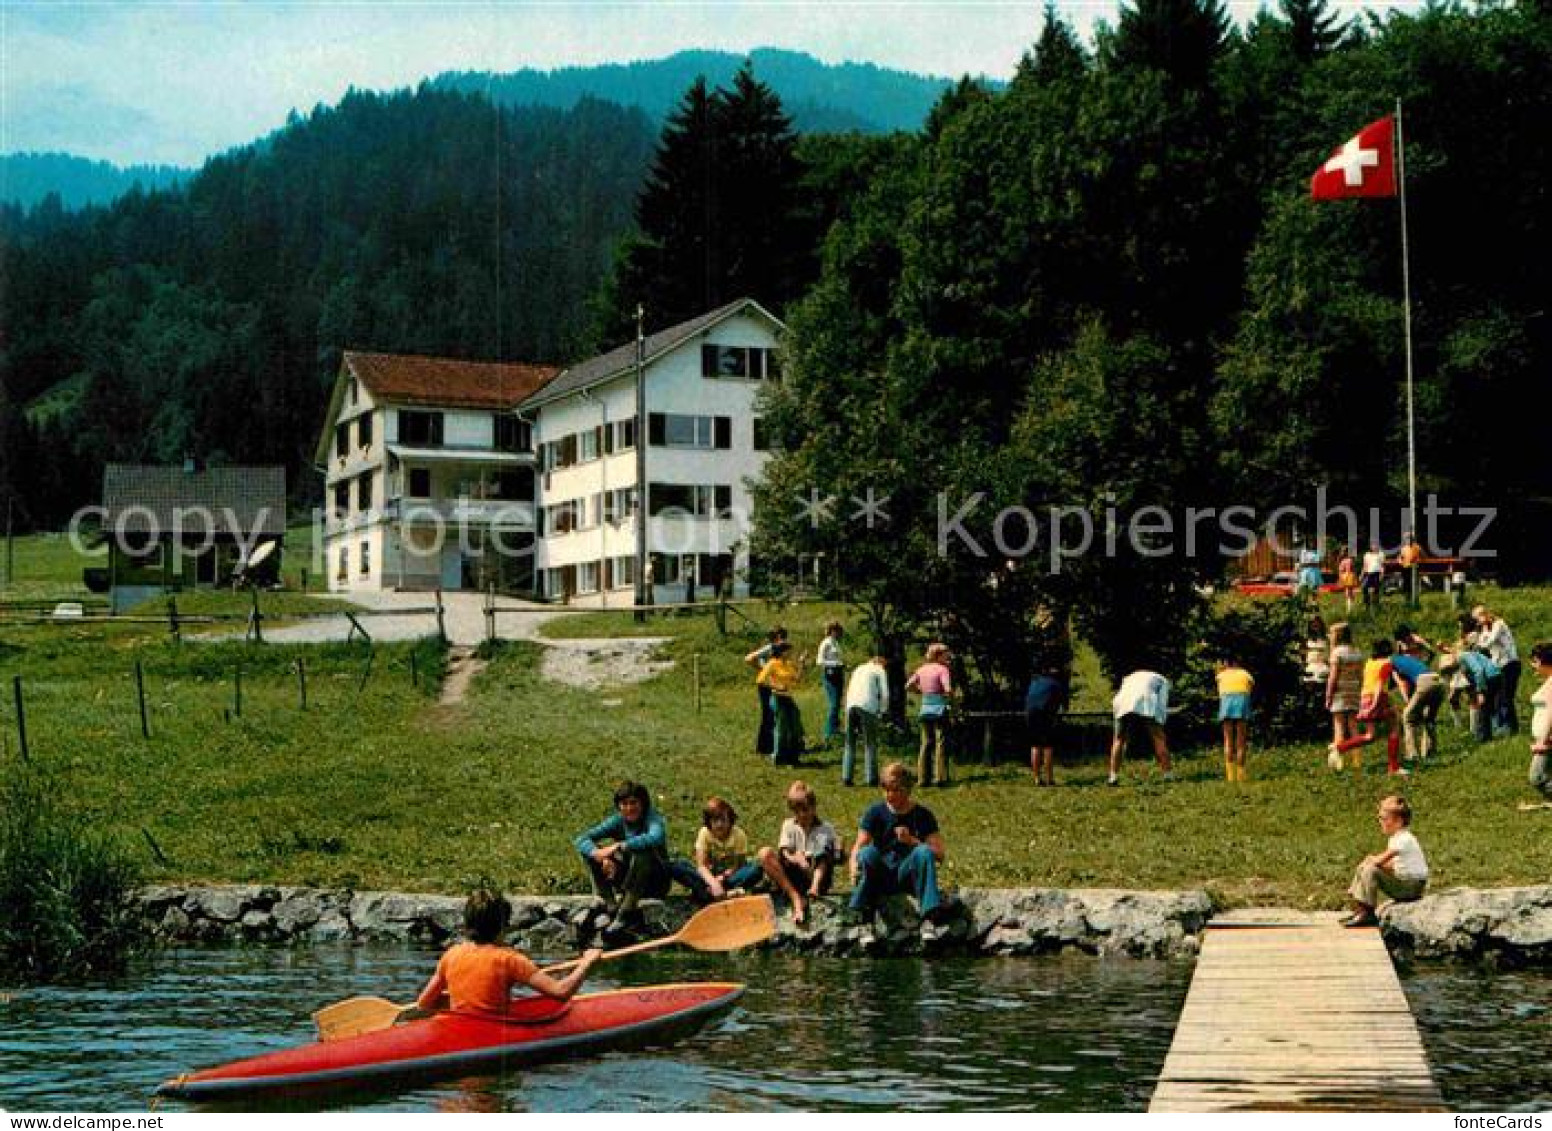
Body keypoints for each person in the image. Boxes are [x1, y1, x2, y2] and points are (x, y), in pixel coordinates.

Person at [415, 890, 603, 1018]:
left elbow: (424, 1004)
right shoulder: (509, 959)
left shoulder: (451, 955)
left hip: (461, 1025)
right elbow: (561, 992)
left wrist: (466, 999)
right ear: (503, 926)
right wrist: (586, 962)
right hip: (490, 1030)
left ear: (467, 924)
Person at [848, 762, 949, 925]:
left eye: (896, 790)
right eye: (886, 790)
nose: (890, 795)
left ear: (907, 790)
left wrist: (912, 841)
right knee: (867, 853)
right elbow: (858, 846)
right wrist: (853, 868)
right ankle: (861, 913)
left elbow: (940, 854)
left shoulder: (923, 815)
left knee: (923, 850)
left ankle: (930, 915)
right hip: (881, 874)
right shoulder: (875, 812)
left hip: (908, 875)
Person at [574, 780, 672, 941]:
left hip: (654, 880)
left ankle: (625, 912)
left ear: (643, 804)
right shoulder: (618, 821)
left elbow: (655, 837)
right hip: (628, 877)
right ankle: (609, 904)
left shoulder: (652, 819)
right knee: (593, 853)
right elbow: (582, 839)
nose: (629, 808)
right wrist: (599, 854)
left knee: (641, 851)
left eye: (633, 803)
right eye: (624, 804)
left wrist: (619, 846)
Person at [757, 780, 841, 925]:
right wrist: (796, 858)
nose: (802, 814)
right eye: (797, 811)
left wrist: (838, 850)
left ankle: (814, 888)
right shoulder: (789, 825)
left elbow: (836, 856)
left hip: (817, 873)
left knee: (823, 853)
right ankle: (795, 897)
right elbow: (784, 851)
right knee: (765, 853)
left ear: (814, 808)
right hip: (795, 871)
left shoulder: (826, 828)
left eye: (806, 809)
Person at [1343, 795, 1428, 928]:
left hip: (1411, 887)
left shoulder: (1403, 839)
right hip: (1406, 882)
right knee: (1368, 867)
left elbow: (1378, 862)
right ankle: (1360, 909)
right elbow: (1392, 866)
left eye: (1383, 818)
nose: (1380, 822)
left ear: (1398, 821)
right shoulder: (1396, 838)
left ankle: (1367, 912)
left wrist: (1370, 860)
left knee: (1370, 870)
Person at [1331, 639, 1405, 776]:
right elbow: (1379, 685)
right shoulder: (1387, 664)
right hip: (1377, 698)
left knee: (1370, 735)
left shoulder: (1370, 663)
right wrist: (1375, 705)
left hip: (1364, 697)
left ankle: (1340, 748)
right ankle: (1393, 767)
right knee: (1394, 727)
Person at [672, 796, 764, 904]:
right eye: (715, 820)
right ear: (709, 822)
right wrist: (713, 883)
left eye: (723, 820)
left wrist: (723, 877)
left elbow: (739, 864)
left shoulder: (739, 835)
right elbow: (701, 866)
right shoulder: (704, 833)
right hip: (707, 877)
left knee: (755, 869)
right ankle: (723, 894)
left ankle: (706, 895)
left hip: (729, 878)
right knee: (678, 865)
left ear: (730, 820)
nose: (720, 824)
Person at [1108, 669, 1171, 786]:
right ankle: (1167, 774)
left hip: (1122, 702)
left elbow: (1122, 692)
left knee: (1118, 740)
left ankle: (1113, 777)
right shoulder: (1163, 681)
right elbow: (1161, 704)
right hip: (1145, 700)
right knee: (1158, 738)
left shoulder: (1129, 677)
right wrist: (1160, 725)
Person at [906, 643, 954, 786]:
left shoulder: (921, 669)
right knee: (941, 742)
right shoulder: (943, 669)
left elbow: (908, 685)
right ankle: (940, 777)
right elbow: (948, 689)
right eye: (946, 654)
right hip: (939, 708)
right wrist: (951, 700)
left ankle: (922, 778)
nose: (948, 656)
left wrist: (921, 691)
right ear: (938, 655)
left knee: (926, 743)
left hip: (925, 708)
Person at [843, 653, 890, 787]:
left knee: (849, 742)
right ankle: (871, 778)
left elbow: (849, 688)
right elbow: (885, 693)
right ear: (881, 662)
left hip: (851, 704)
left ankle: (847, 776)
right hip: (868, 706)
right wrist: (882, 711)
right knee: (870, 743)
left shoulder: (859, 668)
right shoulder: (879, 670)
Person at [1391, 644, 1444, 763]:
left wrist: (1407, 702)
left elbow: (1402, 683)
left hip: (1424, 682)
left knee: (1407, 717)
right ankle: (1430, 753)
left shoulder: (1392, 662)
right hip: (1439, 682)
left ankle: (1412, 755)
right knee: (1429, 719)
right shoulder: (1411, 659)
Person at [757, 640, 806, 765]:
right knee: (781, 728)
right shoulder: (773, 663)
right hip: (777, 697)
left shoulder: (788, 664)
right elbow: (761, 680)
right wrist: (776, 686)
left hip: (788, 697)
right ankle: (778, 757)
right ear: (782, 652)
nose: (791, 653)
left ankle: (793, 756)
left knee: (795, 727)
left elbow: (797, 679)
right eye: (789, 650)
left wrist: (801, 663)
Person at [1442, 645, 1503, 743]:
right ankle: (1490, 734)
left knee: (1483, 707)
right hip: (1492, 676)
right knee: (1488, 706)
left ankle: (1483, 737)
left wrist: (1479, 692)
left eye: (1451, 669)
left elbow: (1478, 670)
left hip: (1491, 677)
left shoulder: (1463, 656)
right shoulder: (1461, 659)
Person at [1474, 606, 1521, 734]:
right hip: (1499, 666)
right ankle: (1506, 726)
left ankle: (1512, 728)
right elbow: (1481, 646)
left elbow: (1489, 642)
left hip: (1510, 664)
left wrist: (1483, 633)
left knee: (1506, 697)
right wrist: (1483, 632)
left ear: (1484, 614)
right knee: (1500, 698)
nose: (1477, 622)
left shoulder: (1499, 624)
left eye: (1478, 618)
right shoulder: (1486, 629)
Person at [745, 627, 788, 759]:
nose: (783, 639)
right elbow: (749, 658)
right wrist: (762, 669)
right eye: (781, 636)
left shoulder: (780, 649)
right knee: (768, 714)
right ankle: (763, 746)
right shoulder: (770, 648)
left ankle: (772, 745)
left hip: (774, 683)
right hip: (766, 684)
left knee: (774, 714)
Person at [1025, 666, 1069, 787]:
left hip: (1030, 713)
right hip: (1045, 714)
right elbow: (1064, 706)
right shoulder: (1057, 684)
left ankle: (1036, 778)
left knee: (1035, 745)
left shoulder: (1035, 681)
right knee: (1048, 747)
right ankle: (1049, 779)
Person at [1326, 622, 1365, 758]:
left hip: (1340, 690)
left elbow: (1333, 677)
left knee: (1339, 726)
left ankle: (1338, 759)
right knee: (1354, 726)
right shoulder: (1357, 652)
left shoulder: (1336, 653)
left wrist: (1328, 696)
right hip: (1354, 689)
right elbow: (1361, 675)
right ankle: (1357, 760)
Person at [1522, 642, 1552, 811]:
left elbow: (1551, 713)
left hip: (1547, 739)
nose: (1533, 665)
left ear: (1543, 661)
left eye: (1534, 661)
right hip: (1546, 737)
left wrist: (1542, 740)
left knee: (1537, 777)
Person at [1216, 658, 1254, 782]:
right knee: (1241, 740)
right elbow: (1250, 687)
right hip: (1242, 702)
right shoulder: (1245, 673)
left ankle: (1230, 776)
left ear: (1226, 663)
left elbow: (1218, 682)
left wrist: (1221, 669)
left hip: (1226, 702)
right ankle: (1241, 775)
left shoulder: (1220, 675)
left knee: (1227, 739)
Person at [816, 621, 846, 745]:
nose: (839, 633)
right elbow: (819, 661)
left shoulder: (836, 643)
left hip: (838, 673)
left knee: (838, 702)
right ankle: (828, 732)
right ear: (832, 630)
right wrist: (836, 664)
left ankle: (835, 728)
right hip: (830, 674)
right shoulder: (826, 643)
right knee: (834, 703)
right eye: (837, 631)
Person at [1303, 614, 1330, 685]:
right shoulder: (1307, 638)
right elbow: (1302, 652)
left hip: (1323, 666)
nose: (1315, 625)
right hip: (1310, 666)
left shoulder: (1327, 638)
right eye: (1312, 623)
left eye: (1317, 623)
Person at [1398, 533, 1423, 608]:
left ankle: (1415, 601)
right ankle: (1407, 601)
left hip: (1414, 568)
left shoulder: (1417, 547)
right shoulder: (1404, 548)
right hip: (1406, 567)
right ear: (1404, 540)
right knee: (1406, 585)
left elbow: (1424, 555)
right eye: (1406, 538)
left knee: (1414, 584)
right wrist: (1400, 561)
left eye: (1409, 538)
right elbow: (1400, 557)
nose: (1408, 540)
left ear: (1412, 539)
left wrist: (1419, 560)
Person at [1360, 541, 1386, 611]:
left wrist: (1382, 574)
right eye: (1373, 545)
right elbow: (1365, 566)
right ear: (1370, 546)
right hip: (1368, 574)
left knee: (1376, 590)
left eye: (1375, 545)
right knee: (1364, 587)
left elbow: (1382, 566)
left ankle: (1376, 605)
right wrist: (1361, 575)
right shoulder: (1367, 555)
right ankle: (1367, 604)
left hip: (1377, 574)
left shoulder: (1381, 554)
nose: (1374, 546)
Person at [1337, 547, 1359, 614]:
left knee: (1348, 593)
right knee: (1349, 593)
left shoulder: (1348, 560)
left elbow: (1348, 570)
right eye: (1342, 551)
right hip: (1346, 576)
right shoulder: (1345, 560)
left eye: (1343, 551)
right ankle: (1350, 608)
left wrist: (1343, 578)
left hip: (1347, 576)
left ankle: (1349, 610)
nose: (1342, 552)